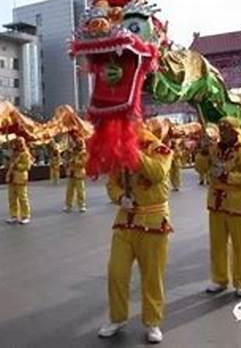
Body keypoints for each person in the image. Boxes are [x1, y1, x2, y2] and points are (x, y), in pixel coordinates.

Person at [97, 124, 173, 344]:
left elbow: (157, 174)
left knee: (152, 276)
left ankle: (153, 322)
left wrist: (134, 152)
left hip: (153, 221)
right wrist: (120, 197)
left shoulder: (160, 150)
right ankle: (118, 317)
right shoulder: (118, 152)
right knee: (116, 272)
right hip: (125, 221)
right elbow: (112, 184)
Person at [205, 117, 241, 298]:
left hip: (237, 202)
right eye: (221, 129)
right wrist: (202, 153)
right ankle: (219, 279)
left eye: (227, 129)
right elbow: (201, 168)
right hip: (216, 202)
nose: (223, 132)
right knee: (217, 244)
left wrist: (227, 175)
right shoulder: (213, 150)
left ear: (236, 132)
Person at [6, 137, 33, 225]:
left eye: (19, 143)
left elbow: (27, 166)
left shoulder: (25, 154)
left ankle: (25, 216)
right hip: (12, 178)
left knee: (22, 198)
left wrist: (17, 165)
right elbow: (9, 164)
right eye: (16, 142)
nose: (17, 144)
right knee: (12, 198)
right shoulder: (13, 153)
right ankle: (14, 215)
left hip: (21, 178)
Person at [64, 135, 87, 213]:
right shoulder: (71, 151)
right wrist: (67, 159)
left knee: (80, 190)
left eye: (77, 143)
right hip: (71, 173)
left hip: (79, 173)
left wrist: (75, 161)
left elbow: (83, 163)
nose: (75, 145)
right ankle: (68, 205)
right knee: (69, 191)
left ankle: (82, 205)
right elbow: (66, 159)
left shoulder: (83, 152)